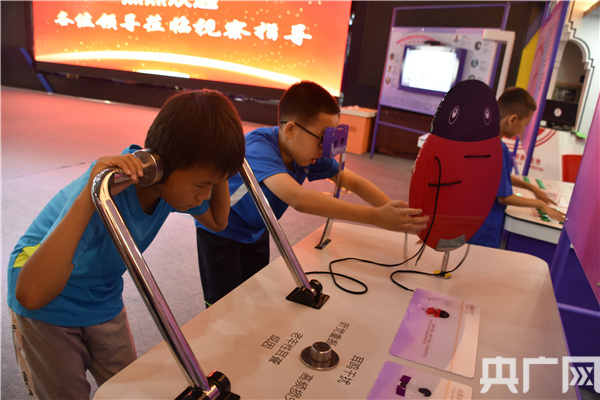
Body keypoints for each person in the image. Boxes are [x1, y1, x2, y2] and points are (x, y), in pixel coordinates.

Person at [6, 89, 246, 399]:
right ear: (161, 166)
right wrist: (91, 196)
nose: (205, 195)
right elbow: (31, 294)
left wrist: (220, 165)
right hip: (47, 295)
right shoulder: (107, 192)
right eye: (202, 185)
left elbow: (217, 220)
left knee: (128, 386)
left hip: (102, 292)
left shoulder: (166, 185)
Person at [196, 80, 429, 305]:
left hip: (259, 227)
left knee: (253, 289)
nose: (325, 149)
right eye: (322, 139)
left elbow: (355, 183)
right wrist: (376, 217)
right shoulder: (258, 148)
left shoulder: (306, 152)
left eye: (330, 139)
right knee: (223, 303)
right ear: (290, 129)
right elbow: (298, 198)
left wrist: (396, 215)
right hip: (221, 232)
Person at [469, 87, 565, 248]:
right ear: (513, 119)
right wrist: (541, 205)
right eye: (525, 124)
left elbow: (496, 178)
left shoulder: (481, 138)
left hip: (471, 221)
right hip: (485, 228)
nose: (523, 130)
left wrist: (531, 188)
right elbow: (504, 197)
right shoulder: (499, 149)